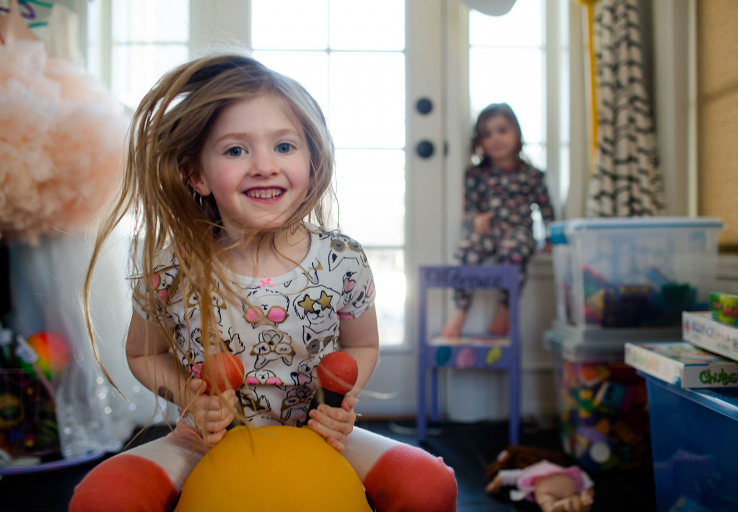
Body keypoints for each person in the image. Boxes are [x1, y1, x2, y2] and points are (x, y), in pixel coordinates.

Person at [70, 54, 457, 512]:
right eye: (236, 150)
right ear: (196, 174)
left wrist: (338, 405)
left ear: (312, 161)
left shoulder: (341, 259)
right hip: (203, 440)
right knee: (102, 497)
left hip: (316, 433)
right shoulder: (169, 267)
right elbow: (143, 352)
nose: (264, 166)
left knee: (430, 485)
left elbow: (362, 347)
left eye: (285, 147)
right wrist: (190, 398)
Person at [442, 103, 555, 338]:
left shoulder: (532, 175)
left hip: (518, 231)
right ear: (479, 141)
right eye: (487, 134)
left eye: (502, 130)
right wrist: (476, 221)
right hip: (488, 232)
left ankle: (505, 309)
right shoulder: (476, 175)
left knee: (513, 248)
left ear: (517, 133)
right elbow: (469, 209)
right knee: (465, 249)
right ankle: (460, 310)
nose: (495, 138)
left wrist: (550, 239)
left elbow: (546, 209)